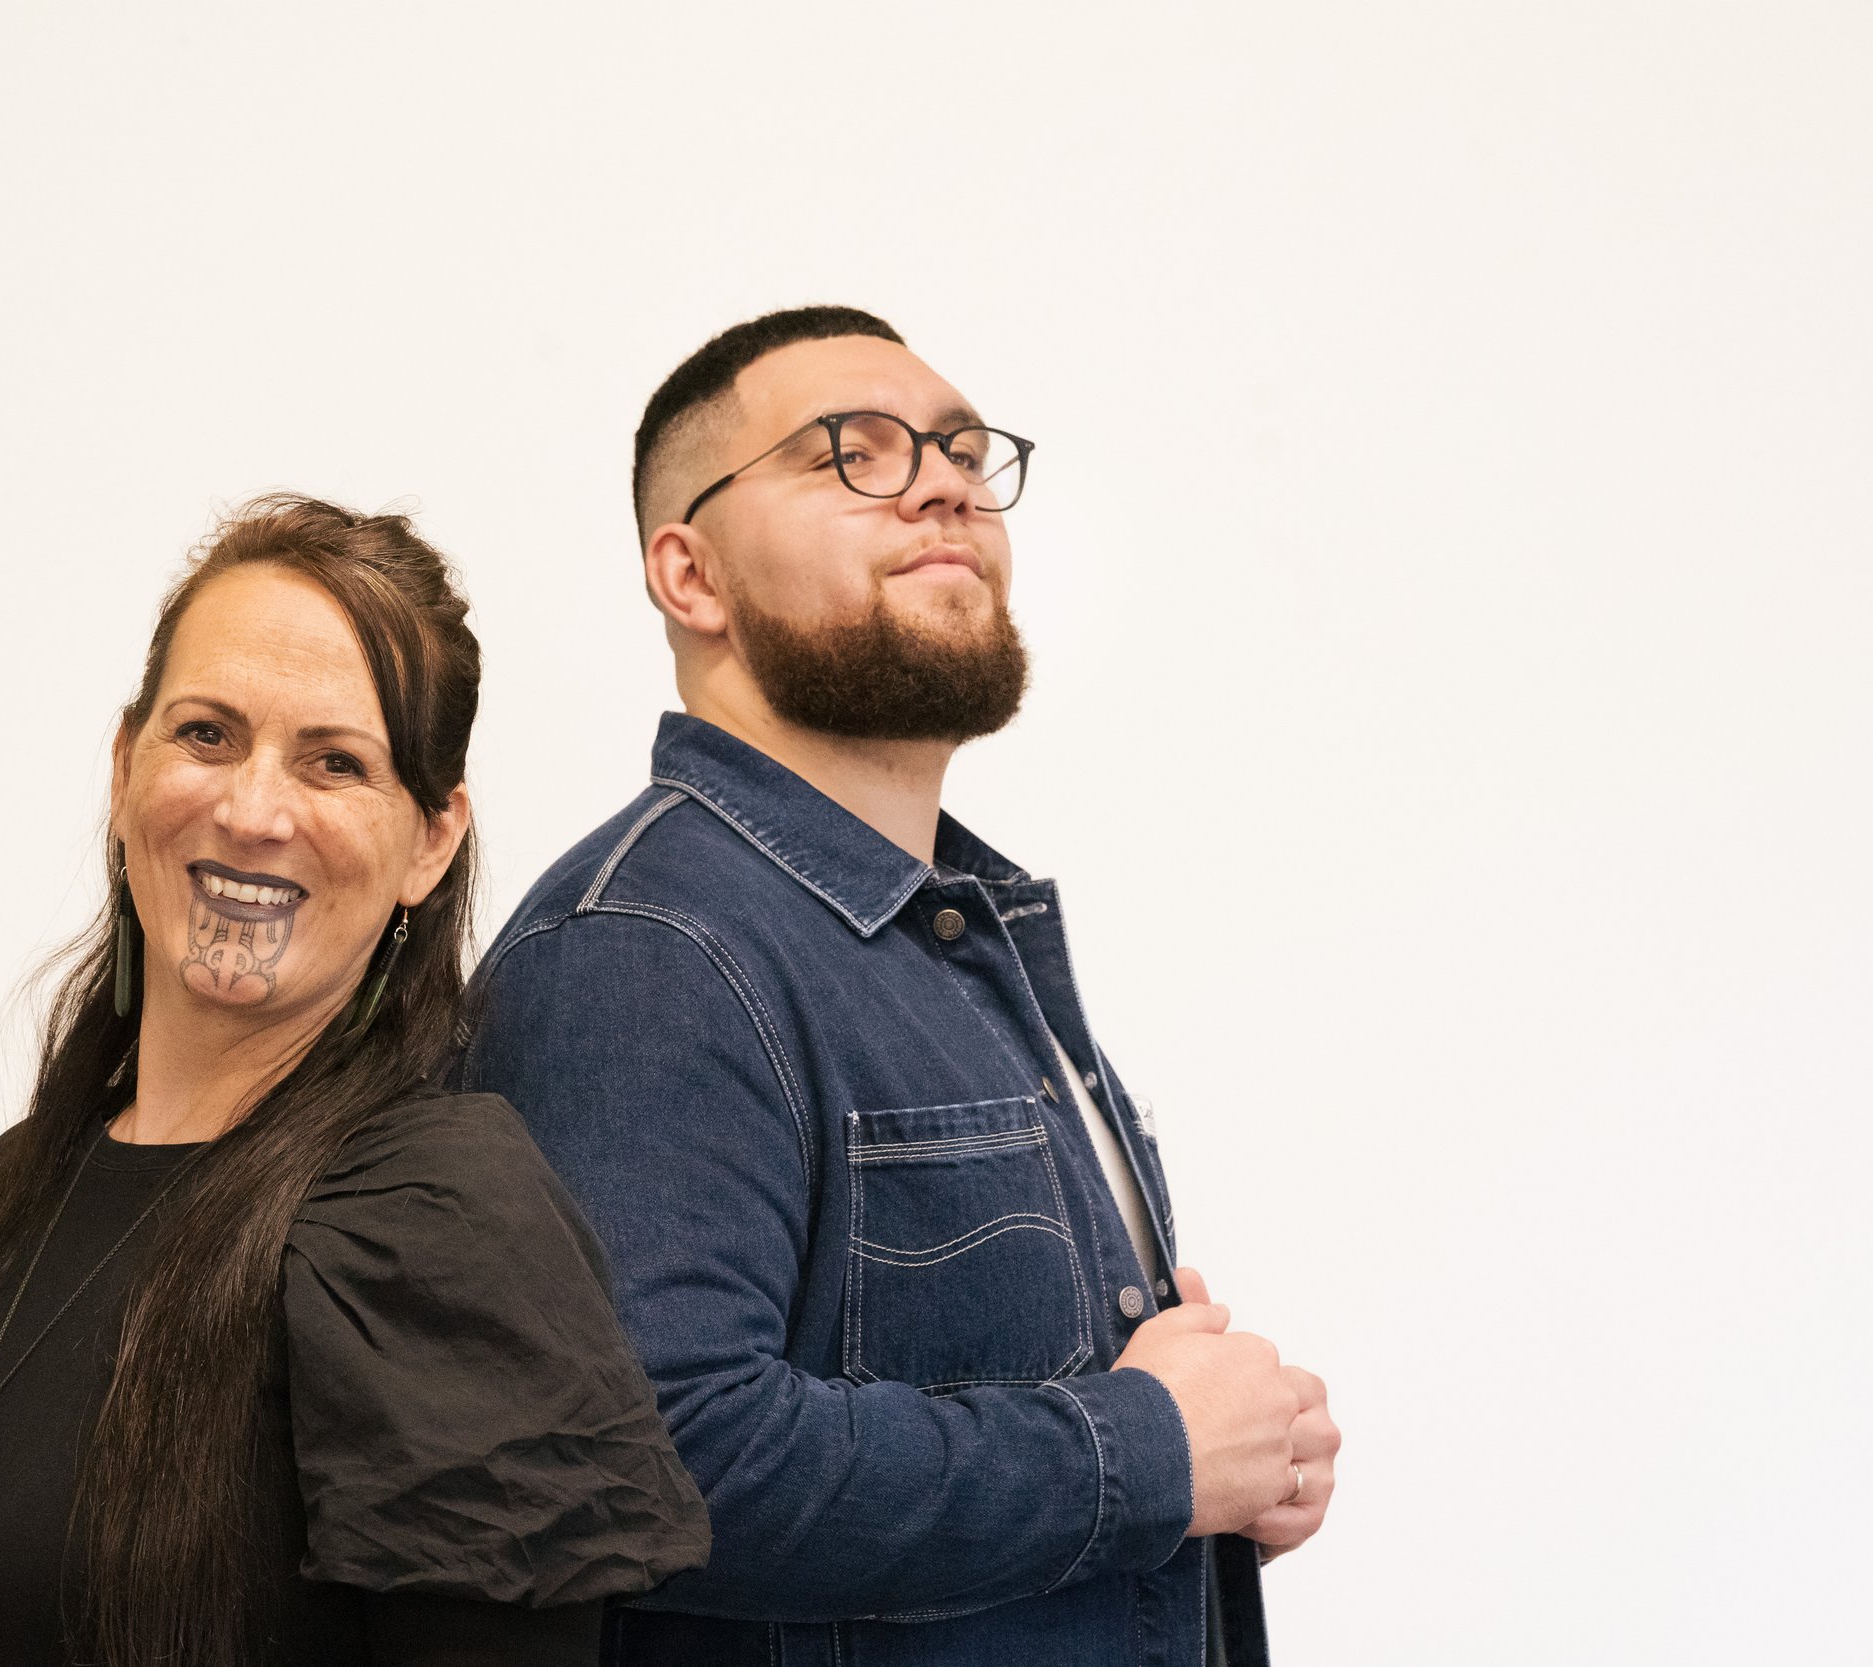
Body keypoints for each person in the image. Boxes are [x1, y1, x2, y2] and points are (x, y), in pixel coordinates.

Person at [459, 308, 1338, 1667]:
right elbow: (652, 1465)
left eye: (963, 449)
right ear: (690, 573)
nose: (943, 481)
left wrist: (1228, 1465)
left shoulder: (958, 939)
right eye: (848, 455)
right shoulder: (646, 944)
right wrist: (1150, 1447)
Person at [0, 494, 709, 1667]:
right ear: (128, 762)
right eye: (207, 734)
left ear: (429, 842)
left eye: (335, 761)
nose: (251, 810)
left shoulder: (435, 1232)